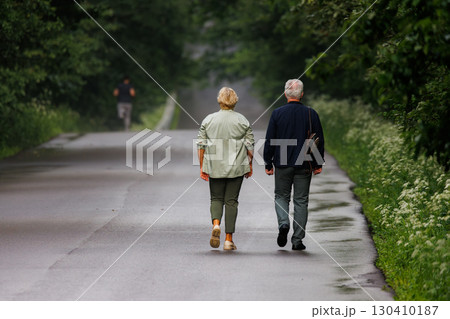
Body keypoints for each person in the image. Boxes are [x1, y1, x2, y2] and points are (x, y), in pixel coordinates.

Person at [263, 79, 325, 251]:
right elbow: (318, 139)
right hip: (304, 162)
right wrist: (318, 163)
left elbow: (270, 140)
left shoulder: (277, 113)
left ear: (285, 94)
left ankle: (284, 223)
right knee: (301, 201)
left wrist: (268, 162)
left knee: (281, 196)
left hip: (282, 162)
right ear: (302, 94)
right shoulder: (311, 113)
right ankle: (297, 240)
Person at [197, 87, 255, 251]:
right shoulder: (242, 120)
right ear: (234, 101)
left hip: (214, 165)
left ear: (220, 100)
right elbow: (250, 145)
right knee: (231, 202)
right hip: (236, 166)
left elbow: (201, 144)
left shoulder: (209, 120)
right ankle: (228, 240)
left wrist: (202, 165)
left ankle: (216, 224)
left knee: (216, 198)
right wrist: (249, 164)